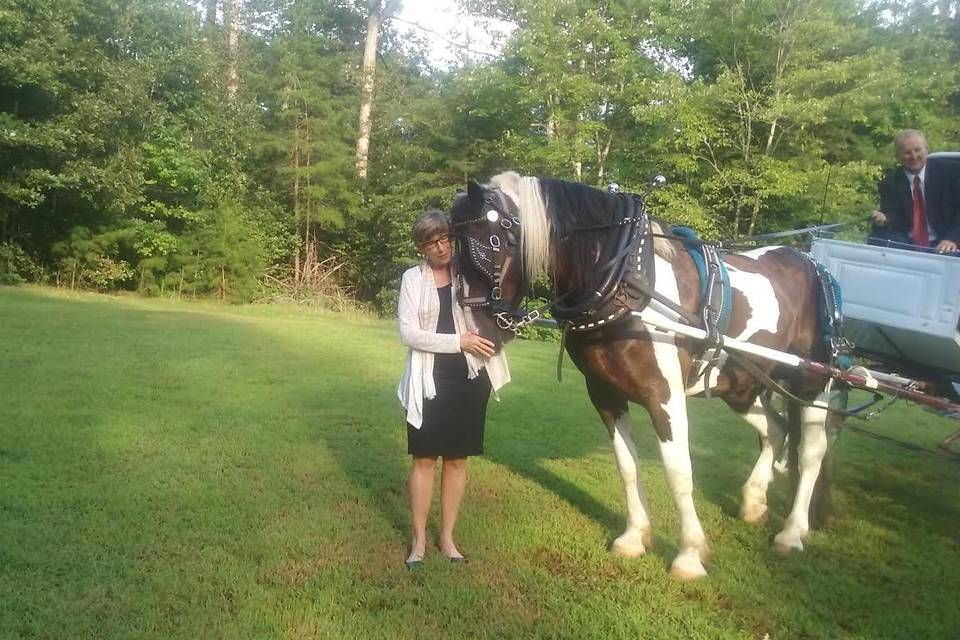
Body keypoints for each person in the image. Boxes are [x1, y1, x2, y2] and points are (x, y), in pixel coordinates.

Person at [396, 210, 510, 568]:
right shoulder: (413, 279)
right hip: (430, 380)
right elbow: (409, 333)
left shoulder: (471, 271)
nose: (441, 247)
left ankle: (447, 537)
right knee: (425, 458)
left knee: (458, 459)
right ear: (422, 248)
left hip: (470, 378)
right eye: (432, 242)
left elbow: (501, 294)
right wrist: (458, 342)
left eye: (445, 238)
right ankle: (418, 540)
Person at [870, 129, 960, 253]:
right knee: (878, 239)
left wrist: (953, 239)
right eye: (907, 152)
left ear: (927, 150)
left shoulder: (952, 172)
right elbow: (897, 217)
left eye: (918, 150)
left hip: (946, 240)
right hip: (908, 243)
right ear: (898, 157)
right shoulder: (889, 183)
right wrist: (885, 218)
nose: (914, 156)